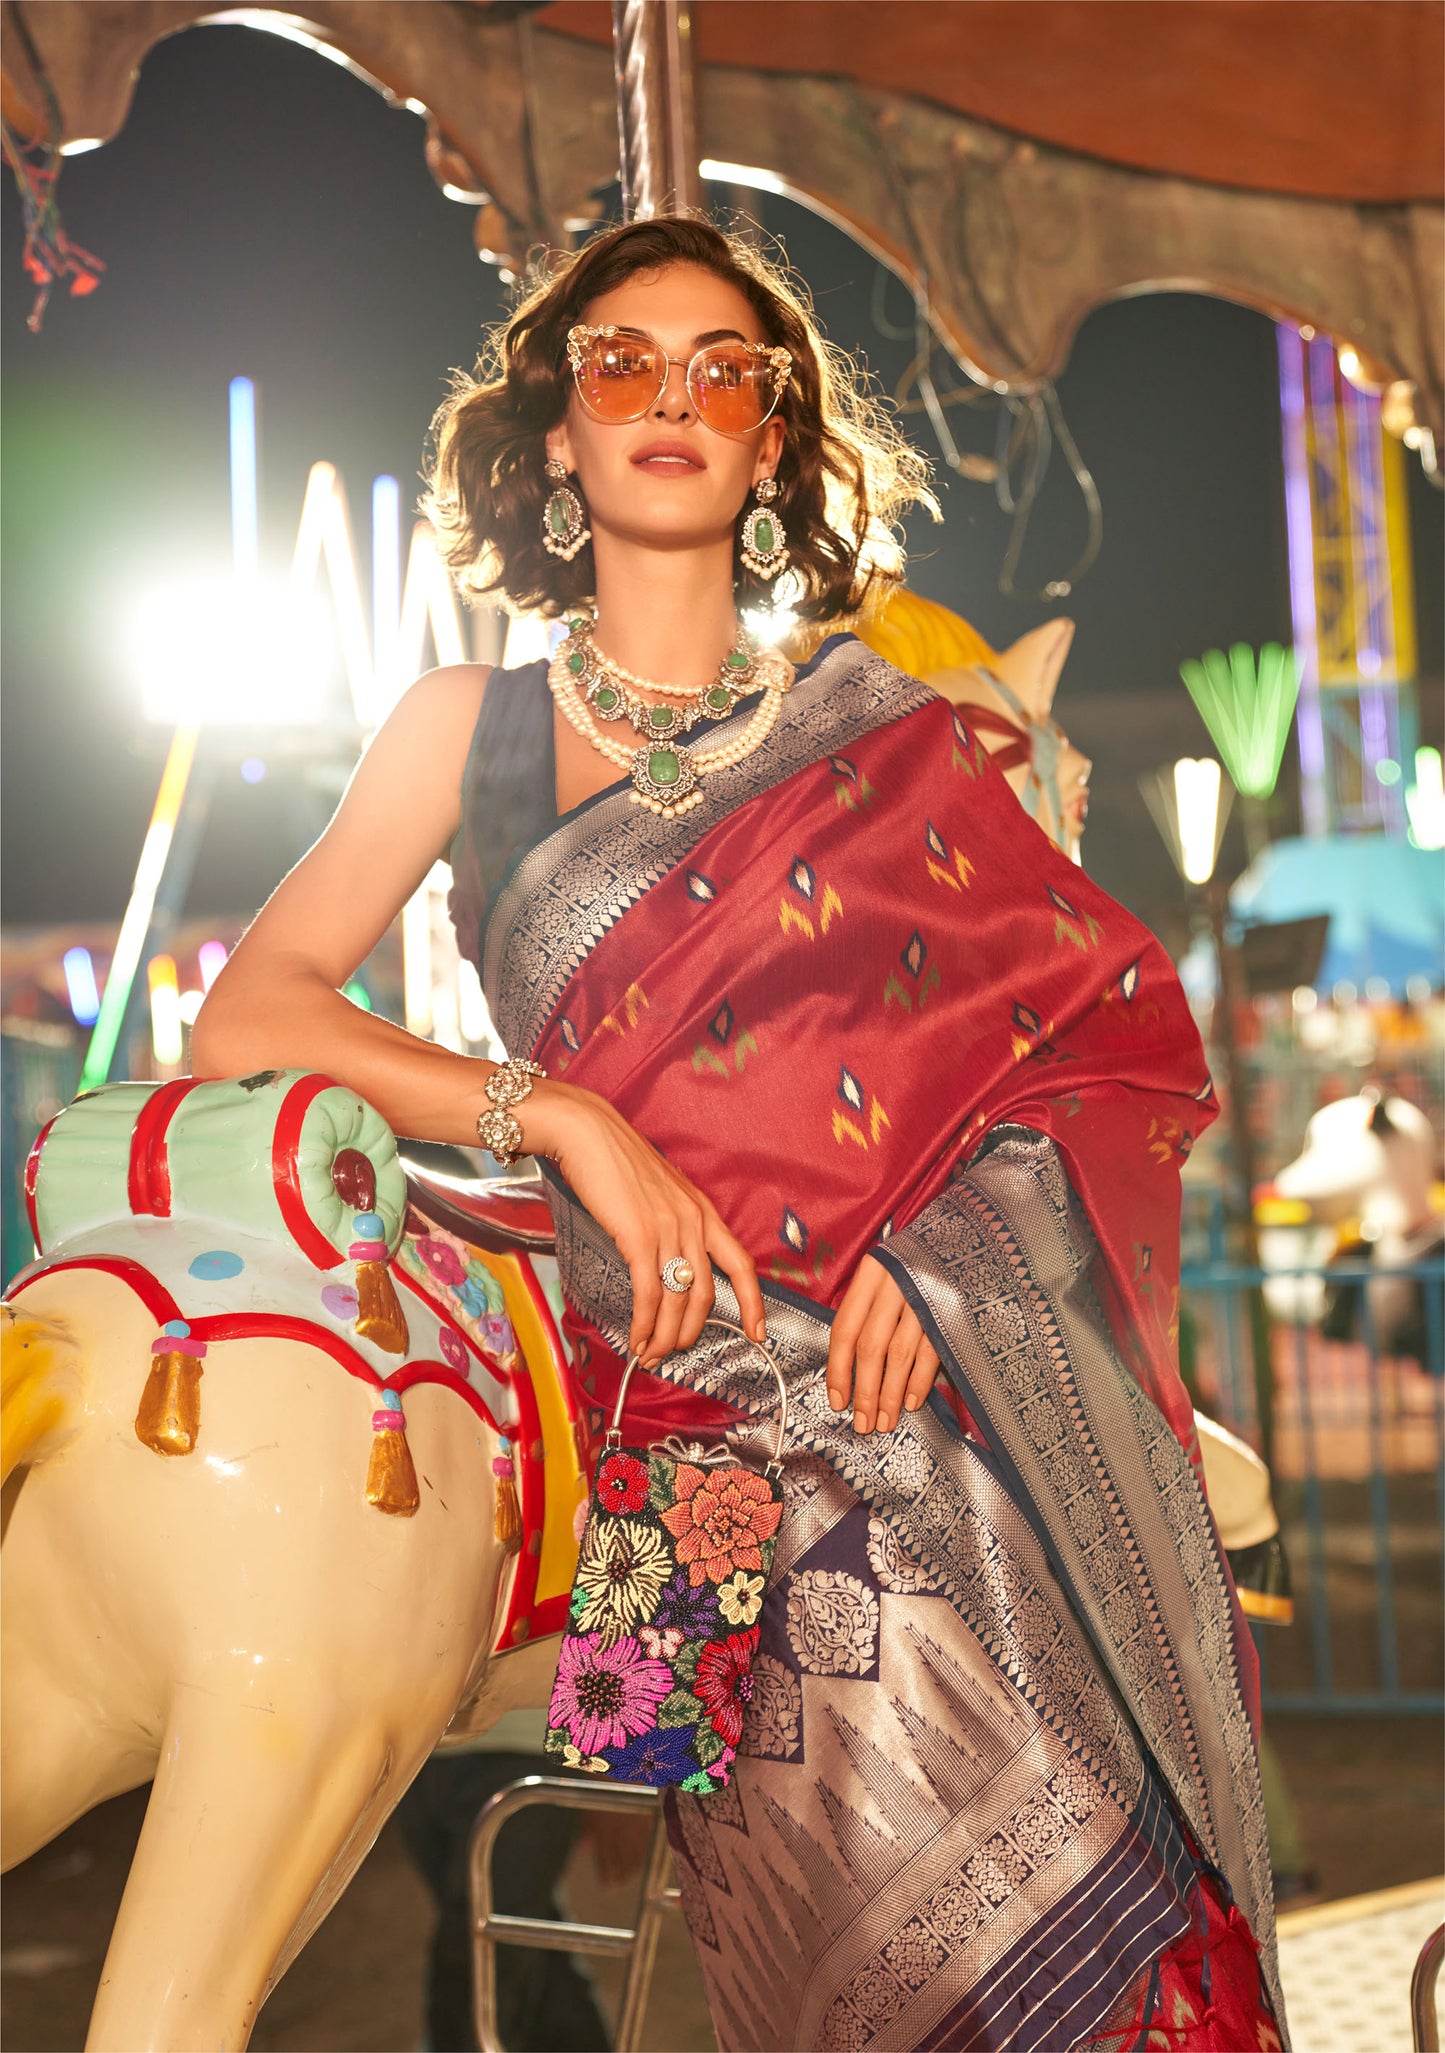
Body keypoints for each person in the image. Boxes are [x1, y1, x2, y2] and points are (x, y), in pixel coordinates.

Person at [193, 216, 1287, 2053]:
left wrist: (946, 1247)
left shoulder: (890, 727)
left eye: (723, 372)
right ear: (558, 432)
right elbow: (253, 1011)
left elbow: (1087, 1040)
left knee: (1097, 1913)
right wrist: (560, 1118)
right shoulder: (467, 730)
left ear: (772, 440)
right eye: (621, 364)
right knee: (691, 1876)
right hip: (654, 1424)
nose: (671, 402)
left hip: (937, 1393)